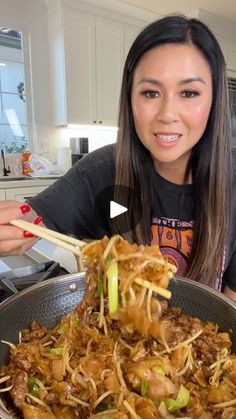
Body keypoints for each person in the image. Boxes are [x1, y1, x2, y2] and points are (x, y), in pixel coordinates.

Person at [0, 14, 236, 301]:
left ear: (214, 100)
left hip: (197, 340)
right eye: (150, 92)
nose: (168, 114)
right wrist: (14, 227)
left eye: (189, 93)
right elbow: (35, 220)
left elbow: (227, 311)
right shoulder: (102, 171)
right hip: (114, 334)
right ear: (130, 98)